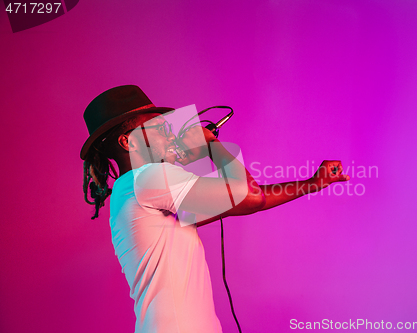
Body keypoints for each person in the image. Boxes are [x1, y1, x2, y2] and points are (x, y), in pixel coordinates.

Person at [80, 85, 350, 333]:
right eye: (157, 126)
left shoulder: (135, 190)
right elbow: (250, 195)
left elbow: (249, 202)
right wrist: (210, 144)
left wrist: (313, 184)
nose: (169, 132)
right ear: (129, 142)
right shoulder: (147, 178)